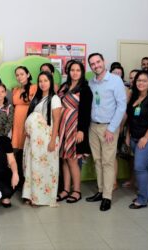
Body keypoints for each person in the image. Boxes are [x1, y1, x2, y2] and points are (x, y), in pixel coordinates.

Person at [86, 53, 127, 211]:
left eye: (98, 62)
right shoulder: (92, 82)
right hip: (93, 127)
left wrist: (111, 129)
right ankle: (101, 190)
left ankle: (107, 197)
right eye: (93, 64)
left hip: (108, 128)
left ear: (104, 62)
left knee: (108, 162)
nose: (96, 65)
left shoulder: (115, 81)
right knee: (97, 160)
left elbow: (121, 106)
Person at [22, 71, 61, 206]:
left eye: (46, 80)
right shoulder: (36, 98)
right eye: (40, 81)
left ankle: (43, 198)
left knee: (45, 169)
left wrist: (52, 141)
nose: (43, 83)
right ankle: (32, 195)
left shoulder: (54, 99)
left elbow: (56, 121)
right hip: (35, 140)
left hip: (48, 138)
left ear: (50, 82)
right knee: (33, 167)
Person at [57, 61, 92, 203]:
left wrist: (81, 131)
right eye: (72, 70)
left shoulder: (85, 89)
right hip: (62, 126)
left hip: (75, 127)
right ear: (68, 72)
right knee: (64, 159)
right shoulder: (64, 87)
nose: (75, 72)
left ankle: (76, 190)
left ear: (82, 72)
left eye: (78, 70)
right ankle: (65, 189)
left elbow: (86, 112)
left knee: (73, 160)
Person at [126, 70, 148, 209]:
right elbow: (130, 119)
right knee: (146, 167)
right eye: (138, 80)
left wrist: (146, 137)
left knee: (139, 167)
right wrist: (128, 135)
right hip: (134, 137)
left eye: (144, 80)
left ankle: (142, 199)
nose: (141, 83)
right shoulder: (134, 97)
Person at [12, 66, 37, 188]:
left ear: (28, 74)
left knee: (27, 153)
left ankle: (28, 183)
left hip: (28, 123)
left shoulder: (34, 88)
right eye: (17, 75)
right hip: (16, 124)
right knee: (18, 153)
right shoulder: (15, 90)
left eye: (22, 74)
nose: (19, 77)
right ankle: (19, 181)